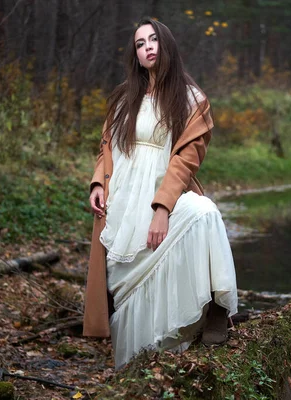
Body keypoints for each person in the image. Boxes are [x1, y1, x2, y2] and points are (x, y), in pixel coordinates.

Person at [83, 17, 238, 369]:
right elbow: (107, 149)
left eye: (153, 40)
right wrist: (96, 182)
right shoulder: (124, 98)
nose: (148, 47)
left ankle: (215, 304)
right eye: (140, 43)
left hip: (158, 198)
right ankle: (136, 370)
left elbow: (186, 160)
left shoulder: (191, 99)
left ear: (167, 45)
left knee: (204, 213)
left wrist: (163, 207)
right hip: (120, 206)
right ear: (135, 55)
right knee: (126, 285)